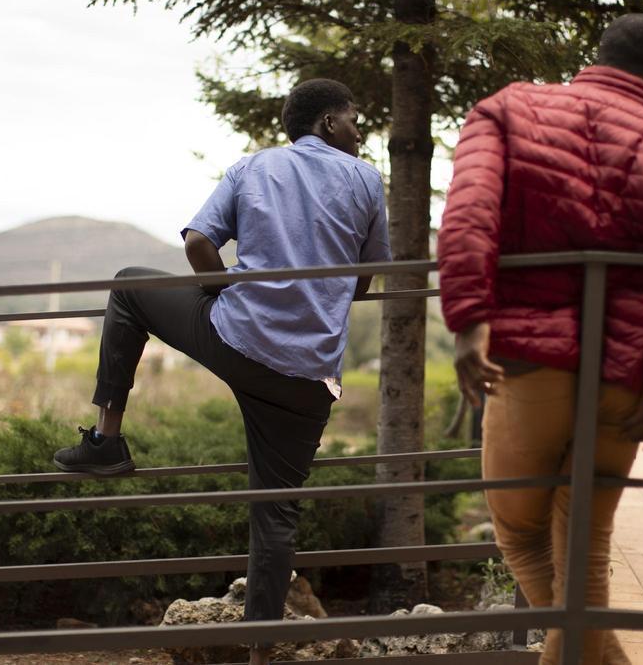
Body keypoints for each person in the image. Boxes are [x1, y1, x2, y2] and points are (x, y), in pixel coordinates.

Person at [52, 78, 390, 665]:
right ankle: (261, 656)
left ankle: (107, 439)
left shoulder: (253, 168)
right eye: (354, 119)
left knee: (130, 284)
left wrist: (223, 290)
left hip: (236, 338)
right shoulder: (365, 180)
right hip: (307, 376)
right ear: (330, 123)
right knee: (276, 514)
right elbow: (367, 278)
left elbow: (198, 243)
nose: (360, 132)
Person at [437, 14, 643, 665]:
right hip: (624, 374)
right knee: (585, 547)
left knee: (519, 533)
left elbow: (469, 211)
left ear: (596, 59)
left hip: (526, 363)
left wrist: (469, 321)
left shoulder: (509, 109)